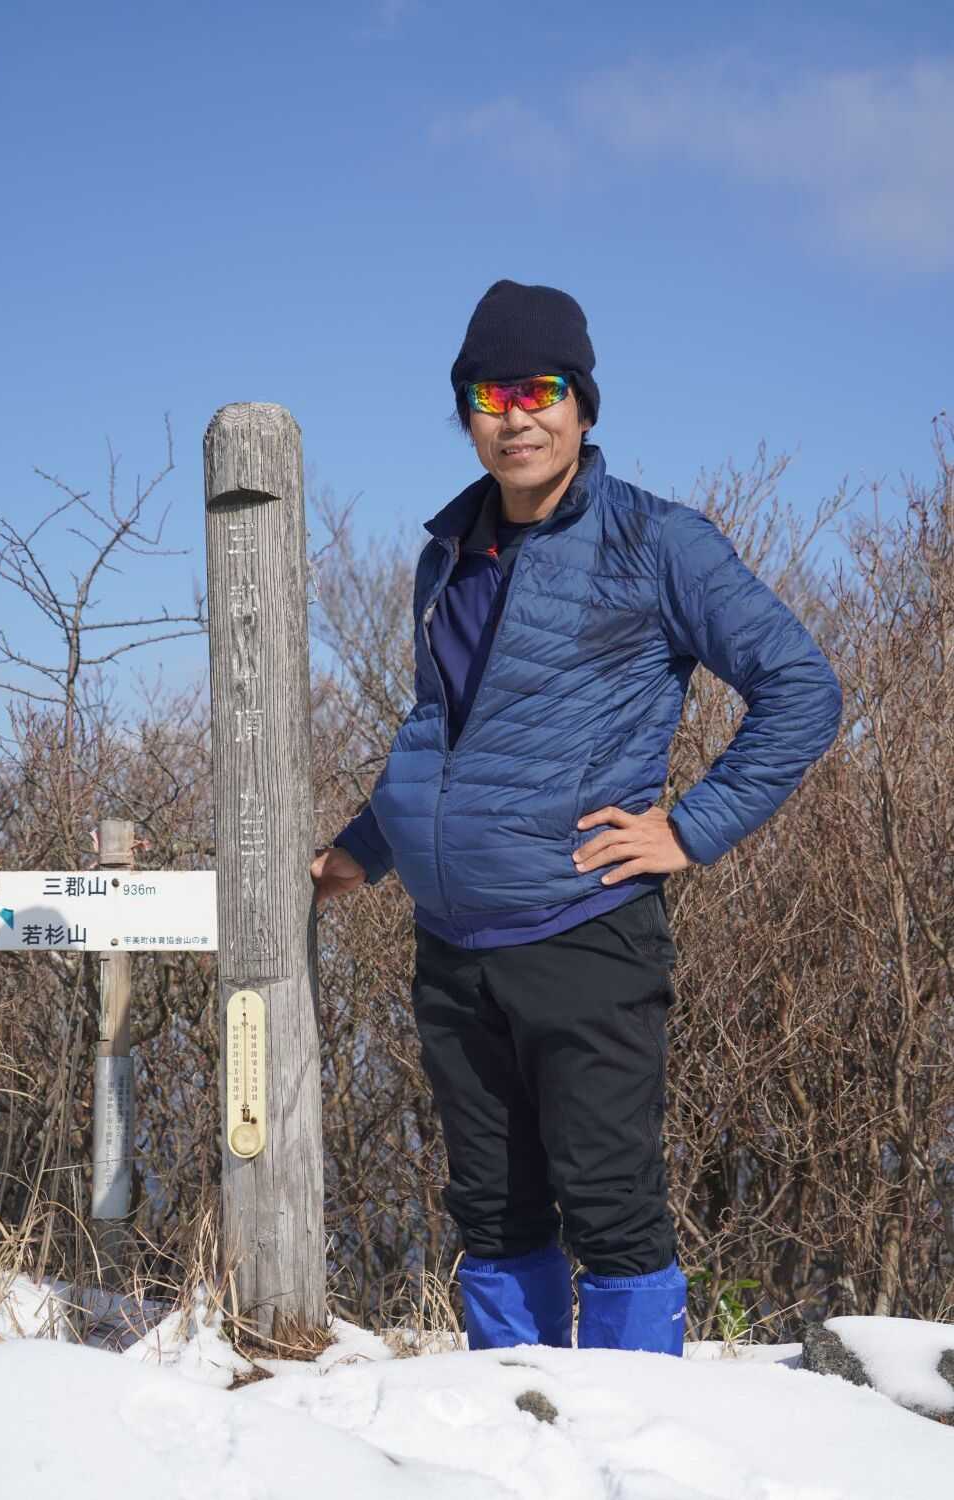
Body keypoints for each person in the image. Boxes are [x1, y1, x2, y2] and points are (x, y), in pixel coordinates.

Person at [310, 279, 843, 1356]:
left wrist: (688, 830)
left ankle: (630, 1430)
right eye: (489, 395)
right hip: (453, 945)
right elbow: (446, 733)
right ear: (467, 413)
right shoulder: (447, 553)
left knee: (609, 1203)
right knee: (493, 1208)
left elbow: (803, 688)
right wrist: (363, 848)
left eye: (539, 390)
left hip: (584, 929)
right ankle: (520, 1411)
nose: (516, 417)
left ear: (582, 403)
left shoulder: (658, 541)